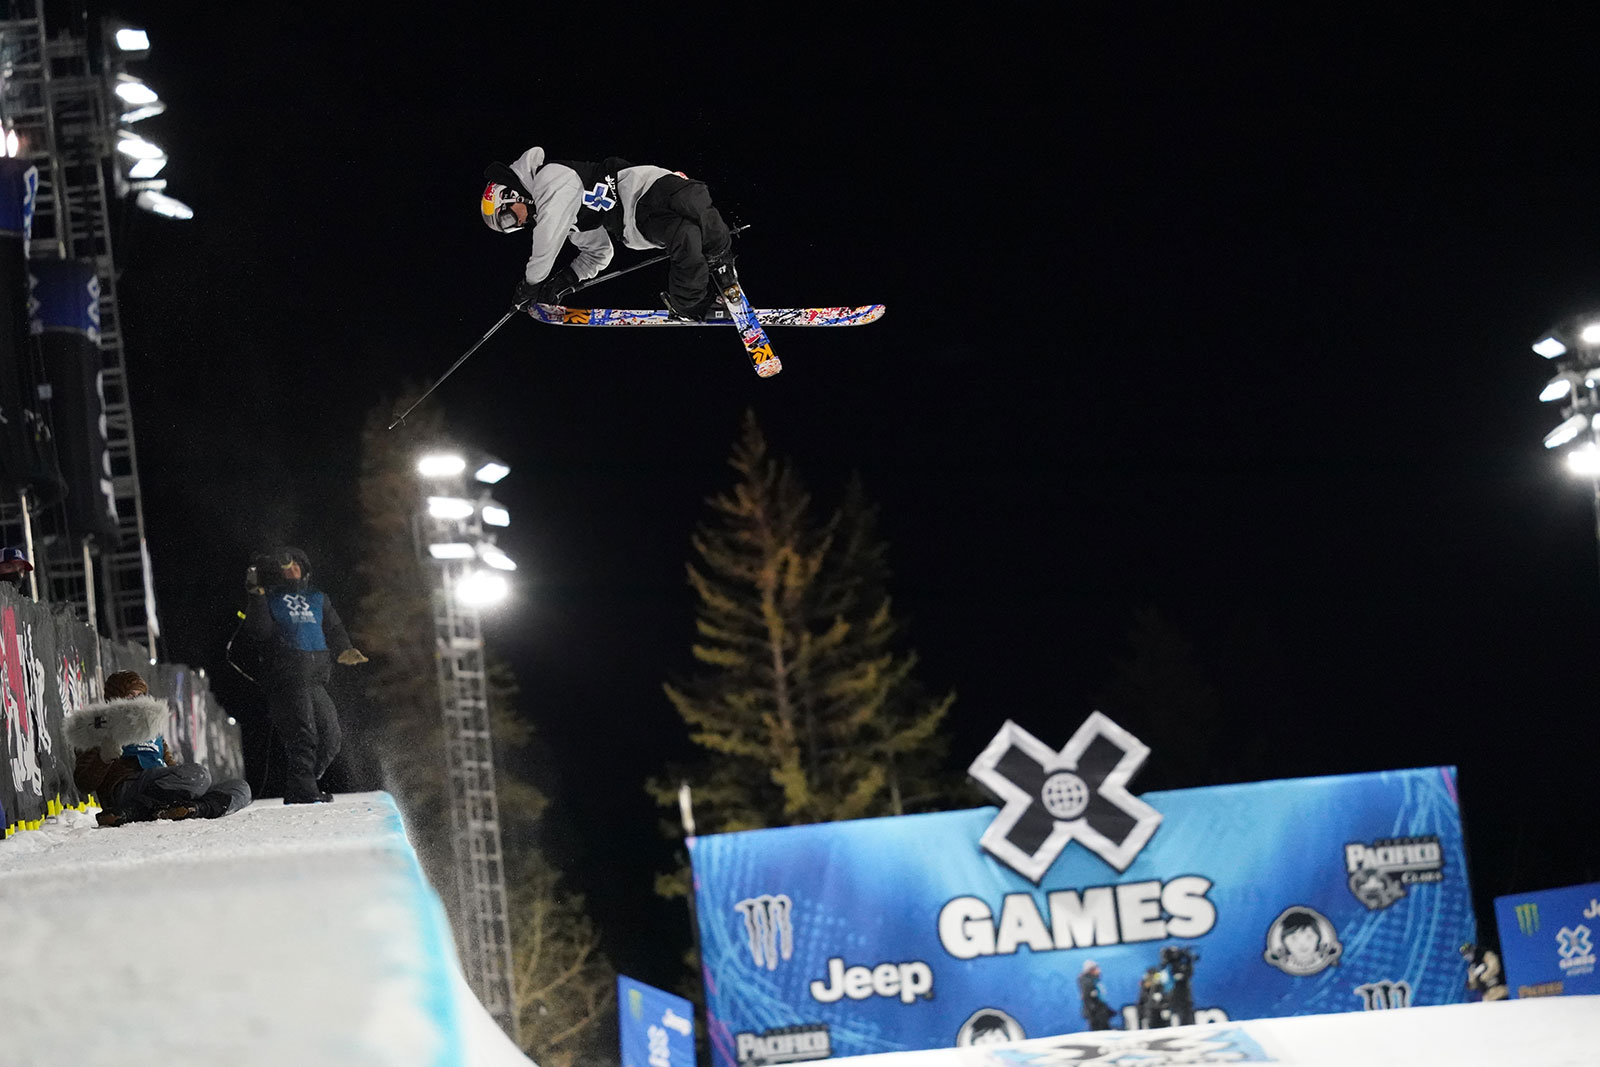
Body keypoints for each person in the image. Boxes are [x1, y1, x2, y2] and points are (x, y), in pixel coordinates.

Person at [481, 146, 739, 321]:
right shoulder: (568, 220)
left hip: (643, 186)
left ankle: (721, 262)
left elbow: (548, 235)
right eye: (508, 227)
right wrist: (564, 281)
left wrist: (530, 284)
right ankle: (691, 303)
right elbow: (599, 253)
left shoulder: (550, 178)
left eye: (507, 218)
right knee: (686, 236)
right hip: (634, 222)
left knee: (693, 200)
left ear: (510, 194)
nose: (516, 224)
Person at [243, 546, 367, 804]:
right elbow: (260, 631)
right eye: (287, 566)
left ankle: (303, 783)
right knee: (305, 733)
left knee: (332, 736)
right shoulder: (270, 598)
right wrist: (256, 595)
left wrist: (345, 648)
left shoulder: (318, 598)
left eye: (298, 564)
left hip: (315, 679)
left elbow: (334, 628)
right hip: (288, 677)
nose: (293, 569)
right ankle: (303, 790)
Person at [65, 669, 252, 827]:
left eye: (141, 696)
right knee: (199, 775)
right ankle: (136, 809)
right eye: (131, 696)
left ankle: (190, 809)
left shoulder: (152, 729)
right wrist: (104, 758)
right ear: (116, 698)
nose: (137, 701)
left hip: (161, 785)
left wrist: (184, 782)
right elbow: (84, 782)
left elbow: (171, 767)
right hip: (128, 787)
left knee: (241, 788)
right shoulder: (97, 726)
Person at [1077, 959, 1114, 1030]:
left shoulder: (1095, 980)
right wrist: (1095, 1010)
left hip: (1100, 1011)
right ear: (1091, 970)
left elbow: (1100, 996)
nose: (1099, 970)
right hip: (1096, 1014)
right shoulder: (1087, 982)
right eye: (1096, 968)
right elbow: (1088, 998)